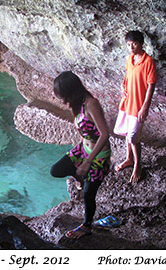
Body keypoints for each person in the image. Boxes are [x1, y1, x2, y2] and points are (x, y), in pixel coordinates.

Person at [50, 71, 111, 239]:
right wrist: (78, 157)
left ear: (70, 91)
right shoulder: (76, 104)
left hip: (98, 155)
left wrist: (87, 162)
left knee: (87, 194)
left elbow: (104, 134)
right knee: (56, 170)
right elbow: (83, 131)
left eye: (62, 95)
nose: (61, 99)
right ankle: (79, 177)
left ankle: (87, 225)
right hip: (83, 149)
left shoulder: (91, 104)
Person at [113, 30, 157, 183]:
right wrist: (122, 85)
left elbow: (151, 85)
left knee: (133, 136)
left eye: (134, 44)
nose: (131, 47)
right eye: (128, 44)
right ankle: (129, 159)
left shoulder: (148, 62)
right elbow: (126, 76)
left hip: (138, 104)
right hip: (127, 102)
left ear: (141, 44)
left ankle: (138, 164)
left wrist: (145, 106)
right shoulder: (130, 59)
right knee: (126, 132)